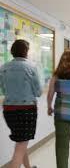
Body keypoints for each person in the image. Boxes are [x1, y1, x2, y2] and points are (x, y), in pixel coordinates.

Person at [0, 39, 41, 168]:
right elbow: (38, 92)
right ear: (26, 52)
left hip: (8, 109)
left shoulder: (3, 68)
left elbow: (2, 88)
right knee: (21, 145)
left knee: (21, 141)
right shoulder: (31, 68)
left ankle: (28, 167)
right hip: (26, 110)